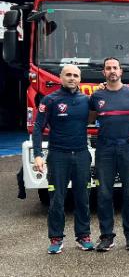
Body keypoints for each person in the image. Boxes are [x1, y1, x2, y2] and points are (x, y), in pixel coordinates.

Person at [32, 64, 93, 254]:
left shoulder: (87, 100)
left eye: (75, 75)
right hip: (58, 156)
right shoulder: (50, 100)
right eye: (68, 75)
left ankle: (83, 236)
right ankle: (56, 238)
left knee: (83, 198)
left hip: (82, 154)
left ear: (80, 79)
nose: (72, 78)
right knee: (57, 199)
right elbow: (37, 128)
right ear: (60, 77)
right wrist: (38, 155)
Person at [90, 57, 129, 252]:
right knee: (104, 193)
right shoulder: (96, 97)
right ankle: (107, 236)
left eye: (115, 68)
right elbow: (88, 118)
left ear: (121, 71)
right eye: (108, 68)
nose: (112, 71)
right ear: (103, 73)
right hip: (105, 148)